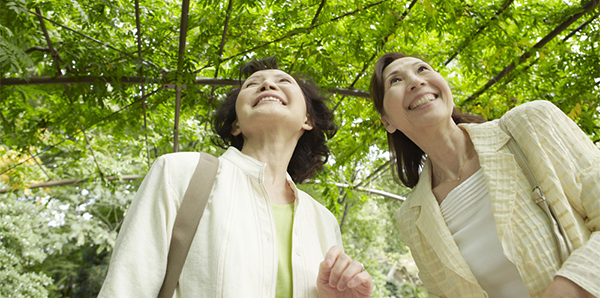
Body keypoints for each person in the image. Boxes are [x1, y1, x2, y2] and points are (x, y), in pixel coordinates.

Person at [99, 57, 374, 298]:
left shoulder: (323, 221)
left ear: (307, 120)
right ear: (236, 124)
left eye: (282, 81)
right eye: (253, 84)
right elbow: (126, 286)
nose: (267, 85)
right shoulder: (179, 173)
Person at [369, 52, 599, 298]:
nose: (416, 81)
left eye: (422, 69)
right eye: (395, 80)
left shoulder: (530, 124)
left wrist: (568, 290)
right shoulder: (412, 218)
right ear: (387, 122)